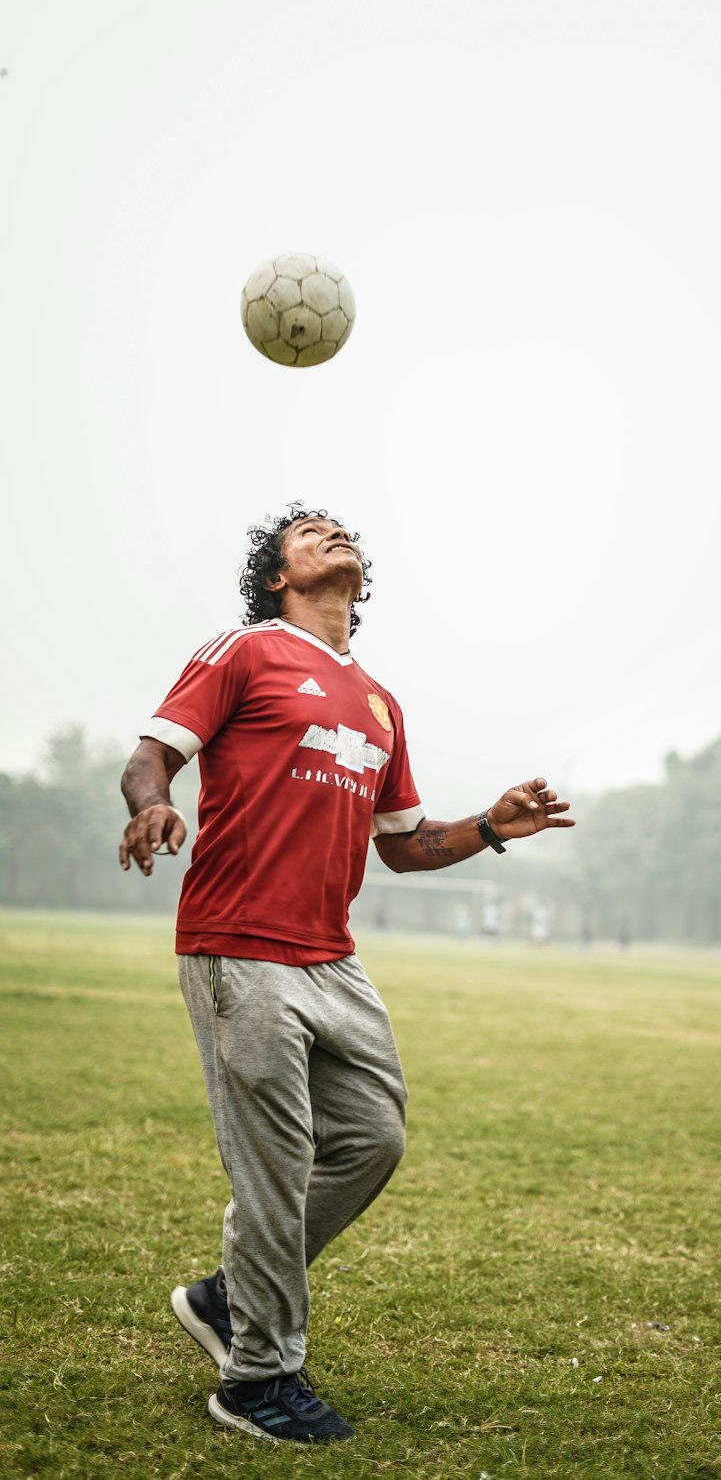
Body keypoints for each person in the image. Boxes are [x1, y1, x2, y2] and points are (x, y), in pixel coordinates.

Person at [118, 507, 574, 1446]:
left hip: (331, 957)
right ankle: (257, 1378)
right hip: (237, 945)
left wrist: (488, 825)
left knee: (372, 1137)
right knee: (276, 1167)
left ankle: (228, 1296)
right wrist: (156, 805)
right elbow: (152, 754)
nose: (332, 533)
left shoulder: (379, 702)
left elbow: (405, 847)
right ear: (278, 575)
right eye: (307, 531)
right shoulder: (247, 650)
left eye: (338, 527)